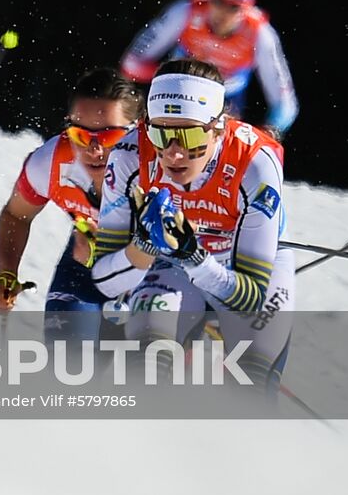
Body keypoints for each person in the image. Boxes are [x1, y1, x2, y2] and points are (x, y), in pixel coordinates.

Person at [87, 58, 294, 388]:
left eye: (191, 136)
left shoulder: (254, 161)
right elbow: (105, 282)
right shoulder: (128, 155)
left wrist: (194, 257)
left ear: (219, 128)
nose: (174, 154)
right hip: (169, 265)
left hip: (240, 266)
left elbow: (252, 296)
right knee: (146, 373)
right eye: (159, 133)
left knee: (251, 388)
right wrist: (142, 248)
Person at [0, 68, 143, 341]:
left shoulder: (159, 163)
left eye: (109, 138)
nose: (94, 150)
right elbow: (16, 216)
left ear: (136, 131)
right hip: (86, 259)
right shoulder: (48, 162)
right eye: (80, 136)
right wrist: (6, 275)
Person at [120, 0, 298, 139]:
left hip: (225, 102)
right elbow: (131, 64)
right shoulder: (185, 10)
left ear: (248, 7)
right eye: (218, 1)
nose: (222, 12)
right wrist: (169, 75)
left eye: (233, 6)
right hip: (175, 89)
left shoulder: (260, 33)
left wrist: (267, 134)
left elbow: (285, 106)